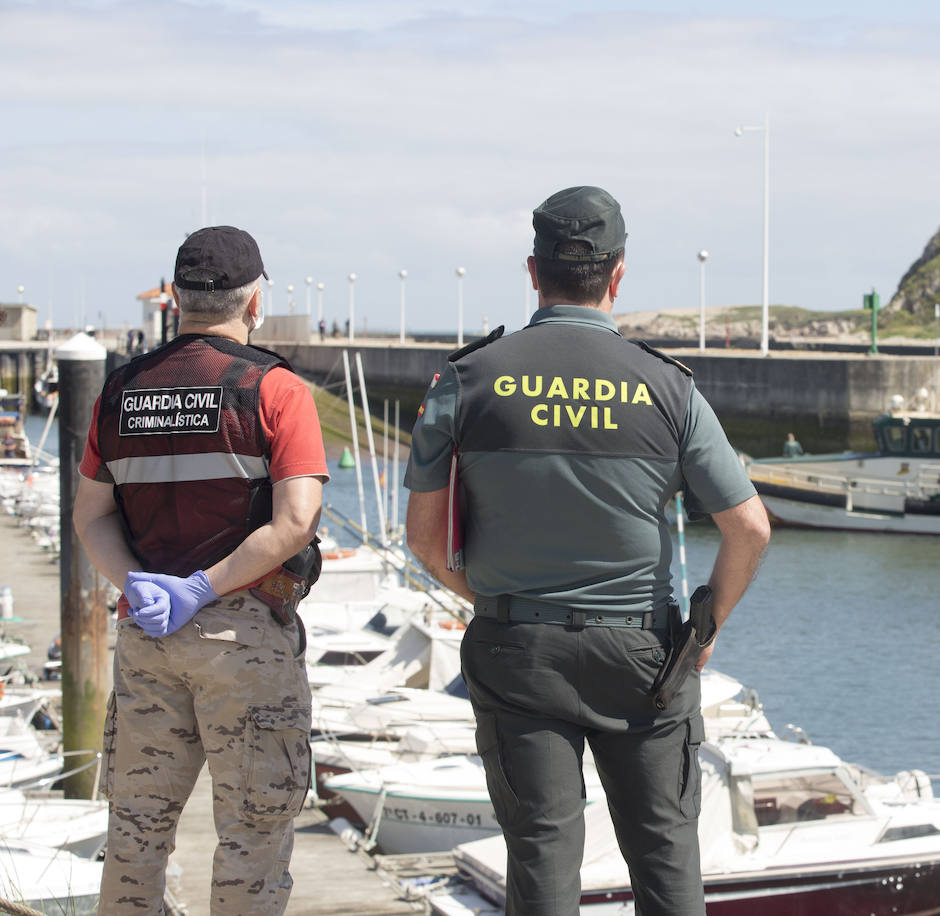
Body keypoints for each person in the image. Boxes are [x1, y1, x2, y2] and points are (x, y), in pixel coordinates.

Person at [404, 186, 770, 916]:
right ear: (618, 273)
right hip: (643, 652)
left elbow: (423, 537)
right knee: (666, 851)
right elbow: (750, 528)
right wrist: (707, 627)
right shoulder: (668, 387)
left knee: (541, 854)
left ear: (533, 271)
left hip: (517, 648)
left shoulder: (468, 379)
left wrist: (496, 600)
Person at [73, 226, 329, 916]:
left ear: (176, 301)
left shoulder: (122, 391)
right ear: (255, 303)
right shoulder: (273, 390)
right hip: (243, 638)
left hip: (148, 636)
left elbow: (91, 517)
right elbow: (295, 521)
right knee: (252, 829)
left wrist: (137, 584)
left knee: (135, 827)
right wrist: (206, 589)